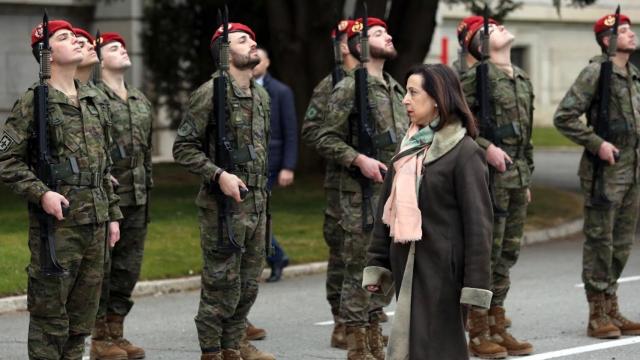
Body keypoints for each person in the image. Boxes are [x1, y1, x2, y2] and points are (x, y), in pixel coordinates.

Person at [0, 19, 122, 359]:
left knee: (81, 321)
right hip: (58, 227)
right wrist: (42, 193)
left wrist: (112, 215)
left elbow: (104, 166)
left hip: (95, 223)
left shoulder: (93, 100)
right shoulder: (34, 102)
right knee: (50, 321)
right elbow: (6, 159)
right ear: (46, 53)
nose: (76, 42)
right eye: (64, 37)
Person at [363, 63, 493, 360]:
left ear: (437, 98)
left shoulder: (465, 152)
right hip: (408, 267)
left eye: (413, 92)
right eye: (405, 92)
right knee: (413, 346)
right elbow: (387, 211)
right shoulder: (409, 147)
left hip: (444, 274)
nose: (405, 100)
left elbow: (479, 225)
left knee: (438, 349)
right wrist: (378, 264)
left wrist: (475, 285)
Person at [172, 22, 275, 360]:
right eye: (243, 39)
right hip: (223, 207)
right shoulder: (211, 92)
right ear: (224, 51)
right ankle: (212, 350)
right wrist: (218, 175)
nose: (253, 42)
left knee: (248, 283)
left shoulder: (260, 95)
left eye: (253, 38)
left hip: (257, 203)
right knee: (221, 283)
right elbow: (184, 147)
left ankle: (234, 346)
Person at [315, 17, 408, 360]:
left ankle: (372, 332)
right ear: (359, 45)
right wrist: (357, 159)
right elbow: (325, 136)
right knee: (359, 268)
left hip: (395, 192)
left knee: (386, 264)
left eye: (387, 30)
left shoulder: (396, 88)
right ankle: (356, 344)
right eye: (379, 34)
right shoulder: (350, 86)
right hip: (360, 194)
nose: (389, 35)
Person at [554, 12, 640, 339]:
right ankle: (597, 314)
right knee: (599, 243)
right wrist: (597, 143)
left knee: (620, 243)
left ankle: (612, 306)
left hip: (631, 172)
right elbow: (565, 116)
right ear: (608, 40)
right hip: (604, 173)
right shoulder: (596, 73)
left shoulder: (632, 75)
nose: (632, 34)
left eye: (632, 30)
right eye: (624, 30)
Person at [460, 16, 535, 358]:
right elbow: (455, 122)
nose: (501, 28)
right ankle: (477, 331)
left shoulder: (520, 78)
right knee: (484, 255)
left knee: (507, 255)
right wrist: (486, 147)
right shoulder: (475, 78)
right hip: (488, 179)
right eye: (491, 29)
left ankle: (497, 324)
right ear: (478, 45)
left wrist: (527, 177)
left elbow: (526, 137)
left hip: (515, 179)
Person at [90, 32, 154, 360]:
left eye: (124, 45)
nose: (123, 49)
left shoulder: (140, 100)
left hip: (138, 196)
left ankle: (117, 332)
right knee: (104, 268)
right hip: (108, 198)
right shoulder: (93, 97)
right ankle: (100, 337)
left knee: (128, 269)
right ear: (100, 59)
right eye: (114, 47)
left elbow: (146, 152)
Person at [301, 19, 359, 350]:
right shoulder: (331, 85)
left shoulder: (381, 83)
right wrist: (347, 152)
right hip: (342, 185)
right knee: (343, 254)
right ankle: (341, 320)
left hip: (377, 184)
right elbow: (312, 131)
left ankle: (363, 317)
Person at [252, 47, 297, 282]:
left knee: (258, 214)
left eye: (260, 59)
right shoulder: (240, 89)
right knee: (255, 214)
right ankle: (276, 256)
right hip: (249, 165)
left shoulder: (280, 91)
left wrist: (288, 166)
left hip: (271, 162)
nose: (255, 63)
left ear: (268, 62)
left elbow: (290, 131)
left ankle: (276, 256)